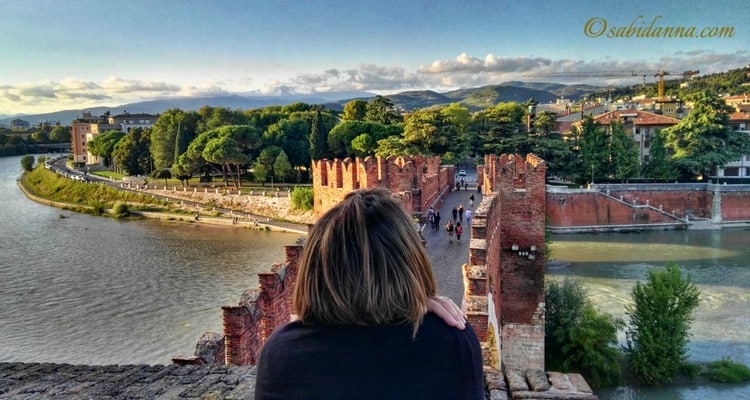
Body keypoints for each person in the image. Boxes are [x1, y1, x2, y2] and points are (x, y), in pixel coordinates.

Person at [255, 189, 484, 400]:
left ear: (315, 268)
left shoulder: (282, 355)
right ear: (411, 261)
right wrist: (411, 302)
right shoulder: (452, 343)